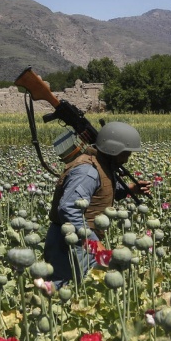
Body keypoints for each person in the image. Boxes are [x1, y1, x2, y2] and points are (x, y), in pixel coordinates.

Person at [44, 121, 151, 288]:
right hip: (71, 242)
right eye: (126, 153)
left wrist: (130, 189)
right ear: (114, 150)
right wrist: (93, 243)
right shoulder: (87, 171)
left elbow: (99, 190)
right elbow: (69, 208)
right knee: (63, 289)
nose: (128, 158)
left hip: (83, 238)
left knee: (85, 288)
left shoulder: (100, 164)